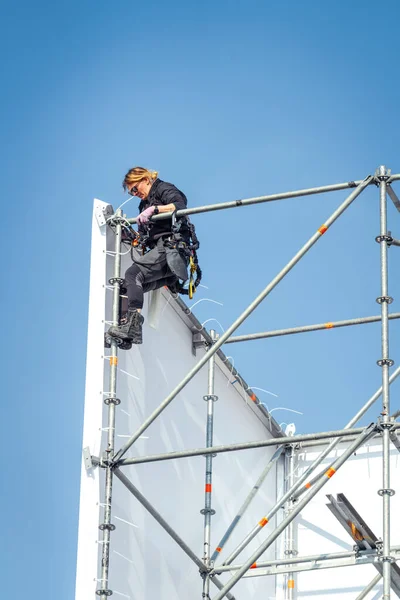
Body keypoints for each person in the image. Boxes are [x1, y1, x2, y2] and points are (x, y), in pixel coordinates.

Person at [107, 166, 190, 346]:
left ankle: (133, 326)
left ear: (145, 179)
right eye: (132, 192)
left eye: (135, 189)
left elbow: (180, 205)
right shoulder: (143, 204)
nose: (135, 193)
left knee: (132, 274)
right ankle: (127, 333)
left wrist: (155, 210)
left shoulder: (163, 189)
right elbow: (146, 234)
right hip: (162, 254)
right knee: (126, 287)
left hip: (170, 249)